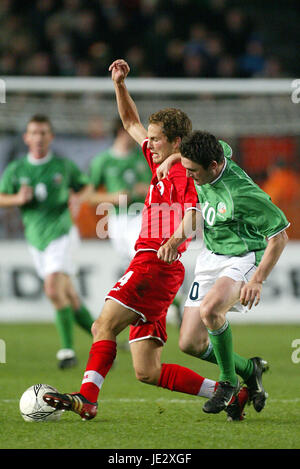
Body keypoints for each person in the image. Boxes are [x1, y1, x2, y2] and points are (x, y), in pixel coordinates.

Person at [43, 59, 249, 422]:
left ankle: (87, 399)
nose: (148, 144)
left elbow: (195, 212)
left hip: (155, 263)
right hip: (158, 268)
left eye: (155, 140)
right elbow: (129, 122)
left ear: (177, 143)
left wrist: (172, 239)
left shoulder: (187, 173)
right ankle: (231, 393)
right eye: (149, 138)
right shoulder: (159, 163)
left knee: (101, 326)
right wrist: (120, 85)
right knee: (147, 371)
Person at [157, 130, 289, 414]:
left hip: (242, 257)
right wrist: (175, 159)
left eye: (192, 171)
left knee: (211, 310)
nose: (188, 175)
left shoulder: (242, 194)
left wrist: (257, 279)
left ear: (213, 167)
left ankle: (227, 383)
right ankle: (249, 369)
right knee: (190, 343)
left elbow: (280, 236)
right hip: (211, 257)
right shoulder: (215, 154)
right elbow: (198, 207)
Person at [0, 114, 95, 369]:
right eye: (34, 132)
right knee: (70, 297)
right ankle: (103, 339)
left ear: (50, 137)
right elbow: (1, 196)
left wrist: (77, 198)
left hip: (62, 234)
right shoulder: (17, 169)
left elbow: (86, 187)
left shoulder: (63, 166)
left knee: (53, 289)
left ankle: (67, 351)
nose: (39, 137)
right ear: (26, 138)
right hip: (36, 239)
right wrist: (17, 199)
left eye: (43, 132)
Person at [87, 117, 151, 272]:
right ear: (122, 132)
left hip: (141, 215)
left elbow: (162, 185)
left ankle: (166, 295)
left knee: (140, 259)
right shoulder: (102, 161)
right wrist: (112, 198)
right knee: (130, 263)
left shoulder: (144, 156)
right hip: (116, 218)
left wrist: (147, 189)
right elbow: (88, 196)